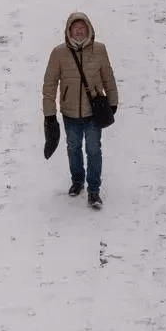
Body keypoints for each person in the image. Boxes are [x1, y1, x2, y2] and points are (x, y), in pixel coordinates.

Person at [42, 12, 119, 209]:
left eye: (83, 28)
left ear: (89, 29)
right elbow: (49, 84)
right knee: (73, 148)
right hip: (69, 112)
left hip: (93, 112)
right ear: (69, 30)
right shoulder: (58, 53)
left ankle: (94, 190)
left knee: (93, 150)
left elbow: (108, 77)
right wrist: (49, 114)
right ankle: (77, 181)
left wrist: (113, 102)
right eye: (75, 28)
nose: (79, 31)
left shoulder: (99, 50)